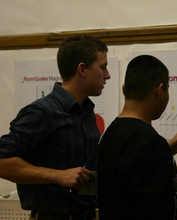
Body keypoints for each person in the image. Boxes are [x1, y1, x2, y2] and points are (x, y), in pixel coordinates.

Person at [0, 34, 110, 220]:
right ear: (82, 69)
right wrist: (57, 175)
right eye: (103, 67)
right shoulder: (42, 111)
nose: (107, 75)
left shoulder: (87, 112)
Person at [97, 54, 177, 220]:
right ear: (160, 90)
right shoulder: (149, 142)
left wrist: (165, 150)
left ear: (124, 89)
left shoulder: (110, 134)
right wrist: (161, 150)